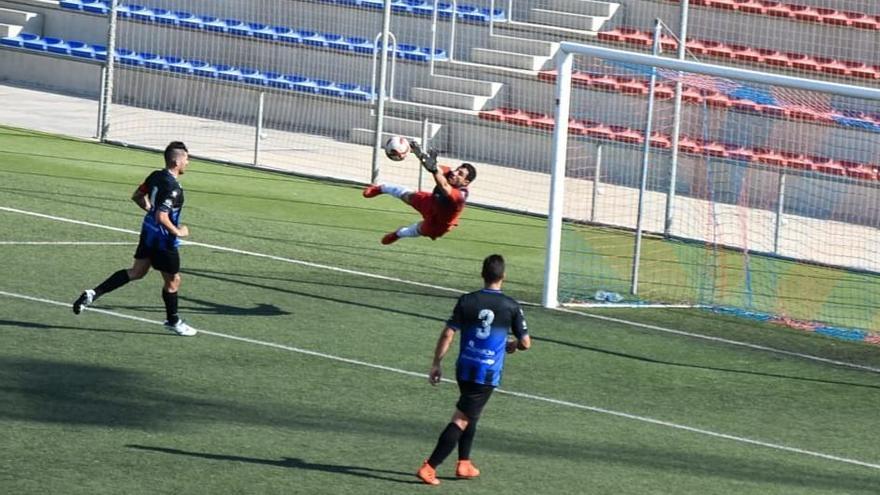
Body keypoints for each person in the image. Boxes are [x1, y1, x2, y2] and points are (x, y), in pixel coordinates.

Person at [416, 254, 531, 486]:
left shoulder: (467, 300)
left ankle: (464, 463)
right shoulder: (511, 306)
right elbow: (526, 342)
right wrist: (514, 345)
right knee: (461, 419)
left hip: (464, 368)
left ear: (482, 274)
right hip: (486, 374)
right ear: (504, 277)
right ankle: (429, 467)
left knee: (471, 414)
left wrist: (437, 363)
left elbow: (448, 333)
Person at [72, 141, 196, 337]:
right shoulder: (174, 189)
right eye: (187, 159)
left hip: (147, 233)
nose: (188, 163)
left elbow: (137, 196)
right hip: (163, 241)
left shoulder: (155, 175)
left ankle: (93, 294)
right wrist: (178, 231)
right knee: (173, 281)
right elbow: (162, 216)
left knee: (136, 272)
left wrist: (150, 209)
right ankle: (173, 321)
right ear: (177, 161)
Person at [362, 141, 476, 245]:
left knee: (418, 230)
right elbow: (433, 166)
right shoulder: (451, 174)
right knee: (408, 196)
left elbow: (444, 187)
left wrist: (434, 170)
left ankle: (398, 234)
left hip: (439, 223)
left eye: (460, 174)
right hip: (431, 202)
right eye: (457, 169)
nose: (454, 173)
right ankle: (381, 188)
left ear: (466, 182)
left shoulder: (460, 197)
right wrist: (415, 152)